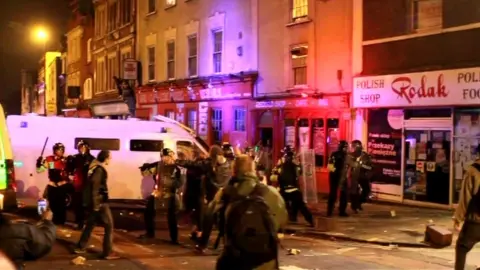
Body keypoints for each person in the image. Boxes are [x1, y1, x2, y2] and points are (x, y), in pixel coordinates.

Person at [197, 155, 287, 270]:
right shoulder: (271, 193)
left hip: (235, 260)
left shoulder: (225, 193)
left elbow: (209, 216)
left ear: (234, 171)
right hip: (266, 261)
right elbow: (282, 221)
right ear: (253, 170)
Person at [74, 150, 119, 260]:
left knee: (90, 224)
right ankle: (107, 252)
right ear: (105, 158)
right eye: (110, 157)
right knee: (109, 226)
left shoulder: (93, 166)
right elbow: (95, 187)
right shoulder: (99, 170)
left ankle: (80, 246)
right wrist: (96, 204)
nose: (110, 159)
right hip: (99, 202)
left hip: (93, 202)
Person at [271, 146, 314, 226]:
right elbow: (300, 173)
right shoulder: (296, 165)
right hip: (294, 190)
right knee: (301, 206)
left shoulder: (280, 165)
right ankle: (310, 220)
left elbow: (273, 177)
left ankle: (275, 221)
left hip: (284, 189)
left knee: (277, 204)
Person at [454, 144, 480, 270]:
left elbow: (465, 197)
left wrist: (458, 218)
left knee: (462, 247)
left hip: (476, 220)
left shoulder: (473, 171)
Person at [36, 142, 72, 225]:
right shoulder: (49, 159)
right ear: (54, 150)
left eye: (61, 150)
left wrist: (70, 162)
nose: (60, 151)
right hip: (52, 185)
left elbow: (71, 171)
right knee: (52, 204)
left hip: (62, 185)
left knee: (61, 205)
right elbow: (39, 170)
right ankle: (54, 221)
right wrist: (38, 164)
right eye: (58, 150)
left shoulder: (66, 160)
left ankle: (61, 221)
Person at [156, 148, 184, 244]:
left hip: (173, 196)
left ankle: (174, 239)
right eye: (162, 157)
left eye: (164, 157)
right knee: (167, 216)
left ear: (170, 156)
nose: (163, 159)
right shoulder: (162, 166)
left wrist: (170, 182)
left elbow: (180, 182)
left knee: (172, 217)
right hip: (164, 194)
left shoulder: (177, 168)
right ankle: (150, 233)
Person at [67, 140, 95, 230]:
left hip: (87, 185)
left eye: (83, 147)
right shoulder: (75, 158)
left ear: (87, 148)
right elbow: (69, 169)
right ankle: (79, 222)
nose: (81, 149)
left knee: (86, 205)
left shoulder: (92, 159)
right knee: (77, 204)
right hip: (78, 185)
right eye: (80, 147)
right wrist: (70, 174)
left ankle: (86, 222)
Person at [327, 141, 350, 217]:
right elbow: (330, 166)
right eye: (345, 147)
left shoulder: (347, 156)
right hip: (335, 176)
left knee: (344, 194)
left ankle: (341, 211)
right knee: (334, 194)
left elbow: (348, 167)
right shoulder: (335, 155)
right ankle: (330, 211)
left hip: (341, 176)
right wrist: (336, 172)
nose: (346, 149)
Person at [349, 140, 373, 213]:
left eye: (354, 146)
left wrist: (362, 166)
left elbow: (370, 167)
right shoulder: (350, 155)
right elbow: (347, 166)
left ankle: (359, 203)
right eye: (352, 146)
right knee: (354, 192)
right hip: (353, 176)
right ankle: (354, 206)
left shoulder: (365, 156)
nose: (353, 148)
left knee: (366, 190)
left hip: (362, 176)